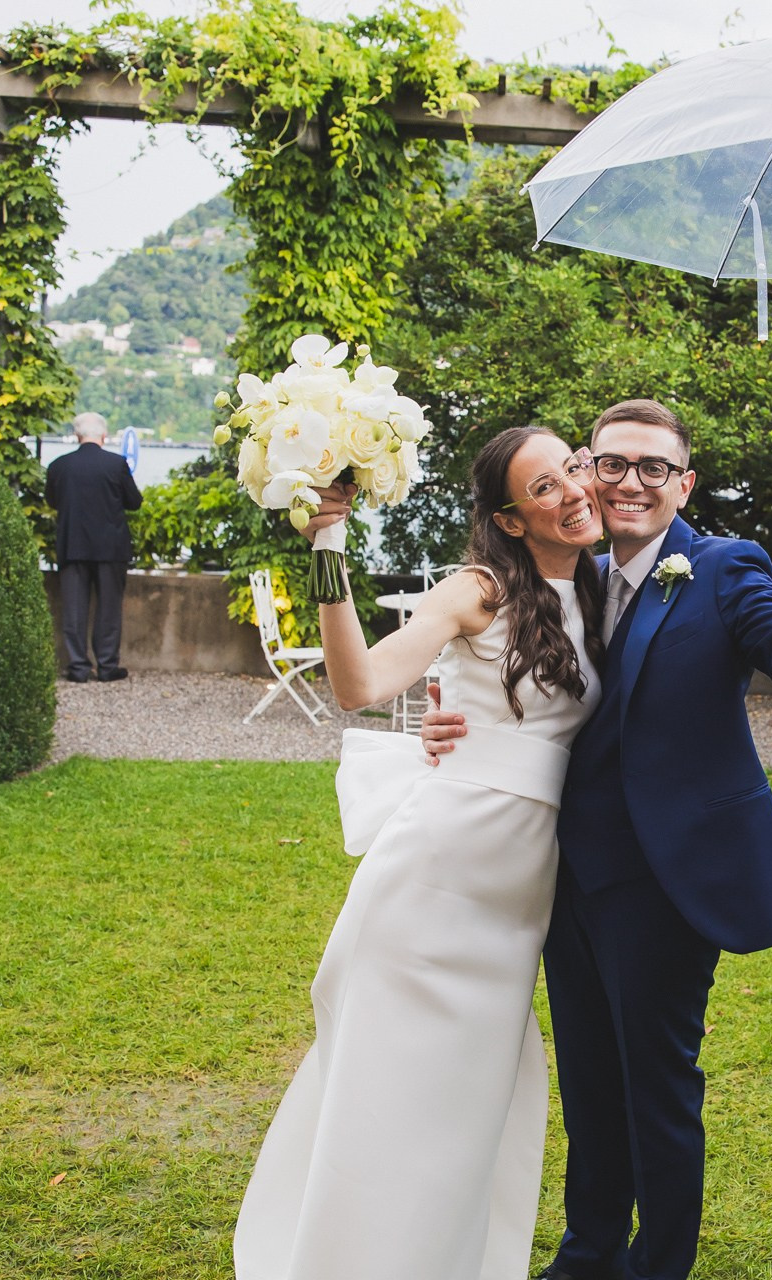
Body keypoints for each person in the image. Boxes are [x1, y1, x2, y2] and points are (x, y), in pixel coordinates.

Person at [422, 399, 772, 1280]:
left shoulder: (722, 569)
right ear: (586, 472)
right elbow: (521, 692)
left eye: (653, 468)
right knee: (592, 1091)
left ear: (683, 483)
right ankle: (589, 1252)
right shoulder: (572, 577)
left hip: (667, 882)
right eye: (611, 464)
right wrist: (449, 724)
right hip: (566, 876)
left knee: (657, 1093)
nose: (630, 483)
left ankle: (659, 1266)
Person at [234, 428, 606, 1280]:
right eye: (545, 488)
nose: (575, 492)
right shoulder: (478, 588)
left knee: (469, 1103)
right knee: (391, 1087)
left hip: (521, 895)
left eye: (574, 469)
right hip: (439, 874)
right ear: (511, 521)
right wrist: (330, 547)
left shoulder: (604, 587)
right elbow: (359, 687)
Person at [45, 411, 143, 682]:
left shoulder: (58, 466)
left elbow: (52, 501)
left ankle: (78, 667)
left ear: (77, 435)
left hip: (72, 545)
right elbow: (134, 501)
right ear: (103, 434)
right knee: (109, 609)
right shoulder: (116, 464)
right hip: (110, 548)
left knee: (74, 610)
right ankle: (107, 665)